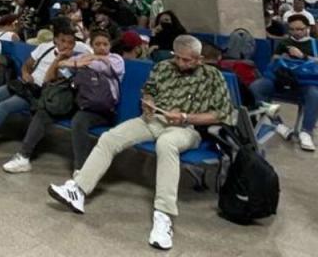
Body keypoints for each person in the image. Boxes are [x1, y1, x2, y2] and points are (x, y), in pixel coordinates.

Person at [48, 35, 234, 251]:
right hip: (154, 120)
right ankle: (78, 191)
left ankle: (163, 216)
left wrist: (185, 117)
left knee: (166, 144)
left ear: (199, 59)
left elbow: (221, 114)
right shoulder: (163, 67)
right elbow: (149, 90)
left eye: (188, 60)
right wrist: (149, 103)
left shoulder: (213, 77)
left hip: (187, 128)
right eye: (179, 59)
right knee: (110, 138)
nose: (183, 64)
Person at [0, 26, 91, 160]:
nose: (66, 45)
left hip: (40, 92)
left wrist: (59, 59)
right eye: (62, 41)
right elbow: (27, 64)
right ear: (55, 40)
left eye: (70, 43)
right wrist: (25, 73)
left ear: (74, 44)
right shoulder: (45, 47)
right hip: (24, 84)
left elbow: (50, 80)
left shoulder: (74, 61)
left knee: (4, 106)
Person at [3, 30, 124, 173]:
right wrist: (59, 60)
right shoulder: (82, 58)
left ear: (110, 46)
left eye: (105, 44)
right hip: (79, 102)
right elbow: (54, 76)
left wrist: (74, 62)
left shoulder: (116, 60)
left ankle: (81, 170)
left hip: (100, 108)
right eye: (97, 44)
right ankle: (23, 156)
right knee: (46, 110)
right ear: (91, 45)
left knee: (79, 121)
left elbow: (100, 66)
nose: (102, 47)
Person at [249, 14, 318, 151]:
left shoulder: (314, 43)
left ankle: (306, 132)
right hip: (280, 79)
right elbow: (273, 60)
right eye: (292, 29)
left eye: (300, 29)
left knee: (314, 94)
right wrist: (281, 57)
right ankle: (276, 123)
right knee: (256, 87)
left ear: (307, 28)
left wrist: (303, 56)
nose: (296, 32)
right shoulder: (285, 43)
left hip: (304, 81)